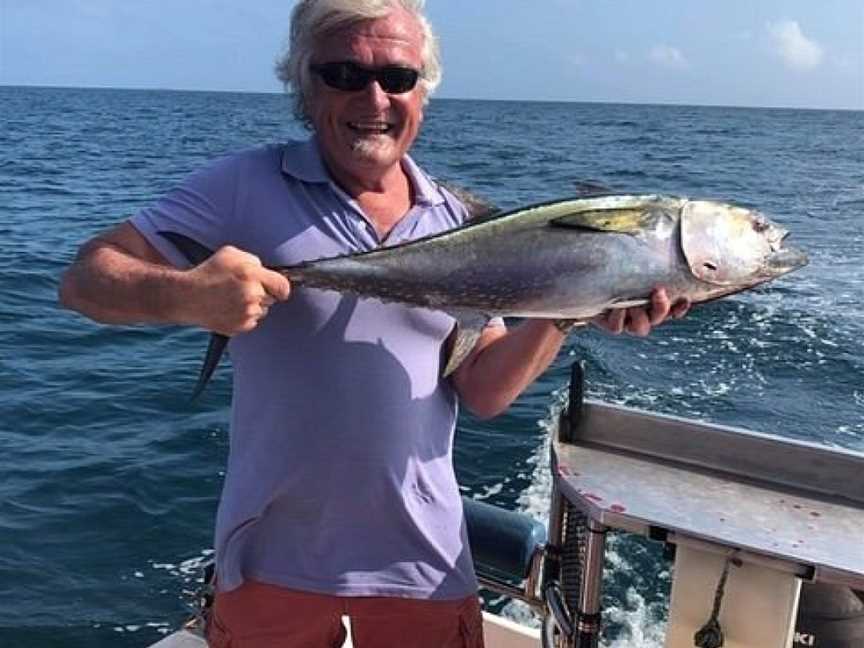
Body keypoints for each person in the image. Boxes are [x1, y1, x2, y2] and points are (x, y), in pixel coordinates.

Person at [59, 1, 688, 646]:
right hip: (272, 569)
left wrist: (574, 308)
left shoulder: (460, 222)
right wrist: (186, 297)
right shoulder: (242, 186)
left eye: (398, 77)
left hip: (428, 567)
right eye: (343, 74)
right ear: (304, 82)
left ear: (424, 92)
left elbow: (484, 389)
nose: (375, 97)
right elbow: (85, 279)